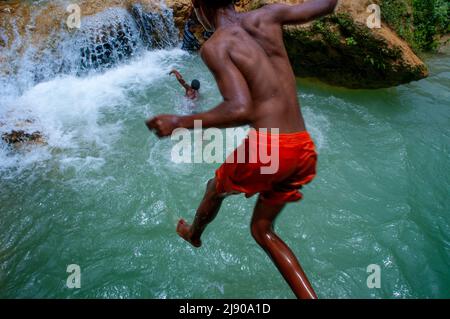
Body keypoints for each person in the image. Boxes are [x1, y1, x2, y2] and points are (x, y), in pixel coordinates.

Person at [146, 0, 338, 299]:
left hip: (271, 146)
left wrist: (180, 121)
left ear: (198, 6)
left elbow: (240, 108)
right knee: (263, 231)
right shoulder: (269, 15)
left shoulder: (216, 46)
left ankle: (193, 235)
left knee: (214, 187)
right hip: (301, 146)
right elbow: (326, 5)